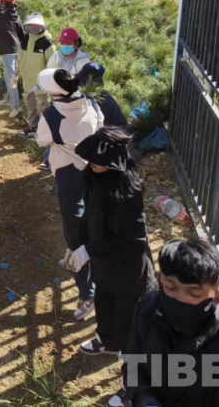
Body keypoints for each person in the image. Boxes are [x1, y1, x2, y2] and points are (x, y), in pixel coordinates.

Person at [122, 239, 219, 407]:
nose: (180, 299)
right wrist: (146, 401)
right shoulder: (147, 310)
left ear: (218, 297)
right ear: (159, 280)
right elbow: (133, 366)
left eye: (194, 294)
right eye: (170, 287)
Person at [69, 128, 154, 360]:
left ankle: (132, 383)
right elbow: (88, 216)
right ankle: (106, 341)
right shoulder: (94, 178)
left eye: (99, 159)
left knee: (126, 318)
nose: (92, 163)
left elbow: (132, 242)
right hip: (104, 263)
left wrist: (90, 250)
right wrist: (77, 243)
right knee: (104, 302)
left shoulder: (128, 192)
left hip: (128, 270)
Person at [35, 68, 103, 321]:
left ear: (54, 94)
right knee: (92, 220)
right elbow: (101, 125)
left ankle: (88, 294)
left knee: (74, 231)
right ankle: (75, 258)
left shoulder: (51, 115)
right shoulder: (93, 104)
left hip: (68, 175)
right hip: (95, 171)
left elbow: (42, 141)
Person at [15, 13, 56, 135]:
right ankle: (33, 128)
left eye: (36, 24)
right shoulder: (25, 39)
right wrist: (15, 75)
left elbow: (53, 67)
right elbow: (20, 60)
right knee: (31, 107)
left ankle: (44, 133)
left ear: (41, 25)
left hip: (41, 86)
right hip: (28, 82)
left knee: (42, 109)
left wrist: (50, 85)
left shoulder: (48, 42)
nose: (33, 26)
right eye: (31, 24)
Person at [75, 63, 128, 128]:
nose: (79, 85)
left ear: (94, 83)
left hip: (114, 134)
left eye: (82, 82)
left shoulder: (99, 101)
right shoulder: (95, 94)